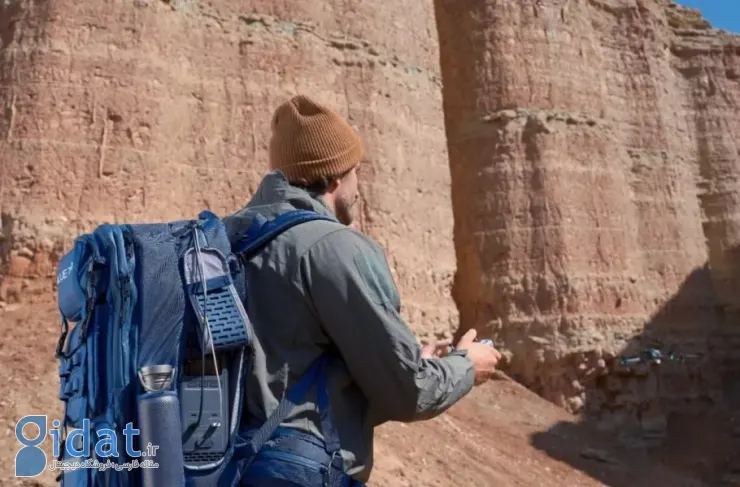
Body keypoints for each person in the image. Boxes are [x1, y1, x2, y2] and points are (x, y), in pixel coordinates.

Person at [222, 94, 501, 486]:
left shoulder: (229, 238)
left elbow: (286, 371)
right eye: (356, 171)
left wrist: (400, 358)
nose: (359, 185)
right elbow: (410, 392)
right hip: (300, 473)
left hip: (227, 468)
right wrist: (466, 365)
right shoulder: (334, 248)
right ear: (336, 177)